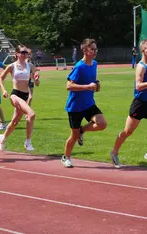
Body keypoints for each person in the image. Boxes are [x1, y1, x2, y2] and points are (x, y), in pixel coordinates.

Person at [110, 39, 147, 168]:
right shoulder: (141, 66)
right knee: (127, 132)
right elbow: (138, 86)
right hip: (139, 104)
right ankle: (114, 153)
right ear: (143, 50)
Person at [61, 38, 107, 168]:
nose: (95, 51)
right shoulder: (79, 66)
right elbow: (69, 86)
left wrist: (97, 85)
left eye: (96, 49)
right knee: (73, 136)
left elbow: (93, 81)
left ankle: (82, 130)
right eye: (92, 49)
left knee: (102, 124)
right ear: (85, 50)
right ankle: (66, 157)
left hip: (89, 104)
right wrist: (87, 87)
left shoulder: (95, 64)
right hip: (75, 107)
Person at [0, 45, 40, 151]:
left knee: (15, 122)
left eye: (26, 52)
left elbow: (37, 83)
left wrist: (36, 79)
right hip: (15, 95)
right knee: (31, 114)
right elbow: (0, 78)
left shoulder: (30, 66)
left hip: (25, 95)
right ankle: (28, 142)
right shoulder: (12, 66)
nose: (24, 54)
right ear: (16, 54)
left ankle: (3, 137)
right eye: (22, 52)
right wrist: (4, 90)